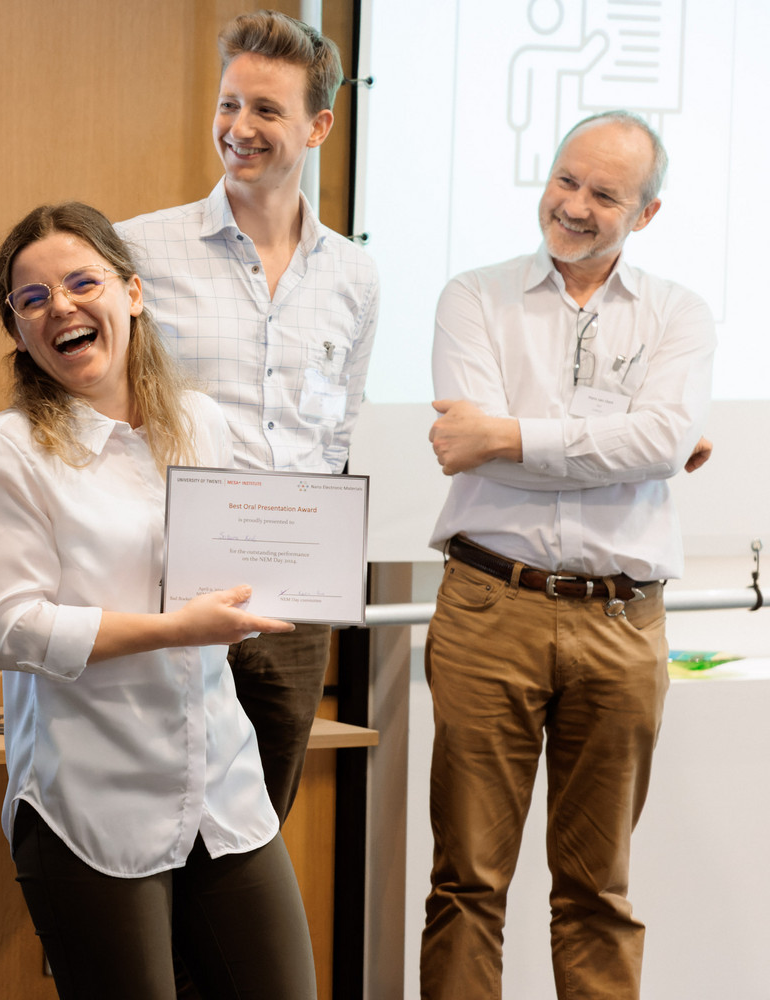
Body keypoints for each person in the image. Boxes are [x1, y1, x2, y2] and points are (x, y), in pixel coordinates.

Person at [0, 202, 315, 1000]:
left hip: (222, 791)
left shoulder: (200, 422)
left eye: (83, 283)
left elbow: (229, 562)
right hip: (91, 803)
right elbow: (10, 630)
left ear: (134, 293)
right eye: (33, 299)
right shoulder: (4, 451)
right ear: (18, 332)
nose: (62, 307)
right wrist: (175, 628)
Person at [422, 111, 714, 999]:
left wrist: (511, 435)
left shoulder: (679, 313)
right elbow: (462, 444)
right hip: (489, 606)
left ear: (647, 213)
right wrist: (629, 446)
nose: (575, 206)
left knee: (598, 890)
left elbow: (661, 443)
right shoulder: (474, 297)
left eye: (605, 194)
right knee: (467, 883)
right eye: (566, 180)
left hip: (623, 620)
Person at [116, 9, 378, 823]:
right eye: (230, 104)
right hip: (171, 587)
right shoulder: (140, 250)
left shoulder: (355, 276)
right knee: (156, 820)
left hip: (295, 604)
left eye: (266, 110)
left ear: (318, 126)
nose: (239, 128)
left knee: (259, 829)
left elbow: (336, 432)